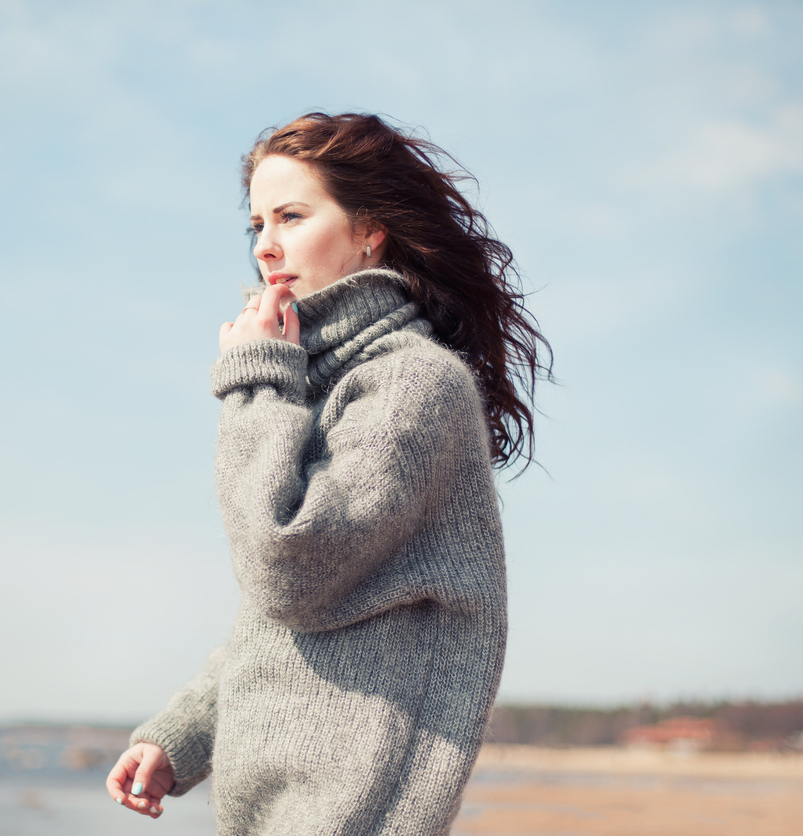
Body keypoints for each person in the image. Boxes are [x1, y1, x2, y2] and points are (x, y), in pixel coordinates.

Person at [106, 112, 551, 834]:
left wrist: (253, 383)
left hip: (353, 810)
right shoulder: (320, 382)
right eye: (256, 223)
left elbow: (289, 568)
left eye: (291, 215)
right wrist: (182, 734)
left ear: (369, 228)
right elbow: (278, 617)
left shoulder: (413, 383)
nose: (265, 246)